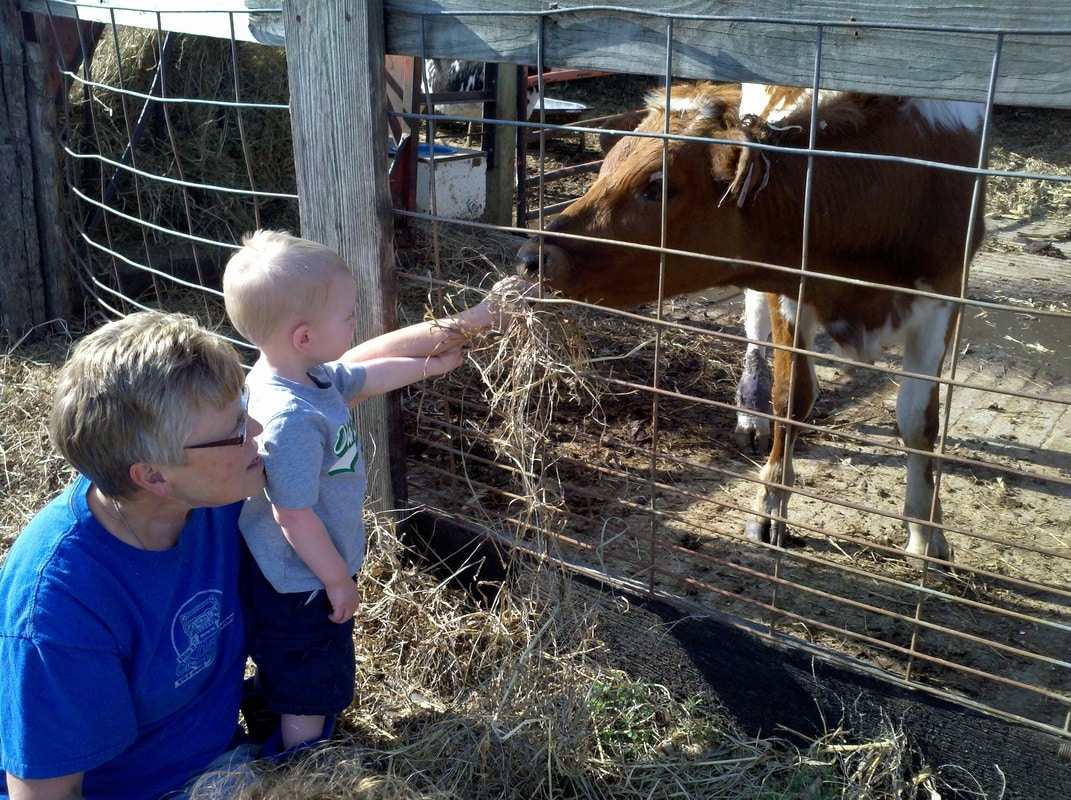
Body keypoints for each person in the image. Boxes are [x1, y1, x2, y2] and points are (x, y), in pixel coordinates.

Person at [223, 229, 525, 755]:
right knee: (307, 683)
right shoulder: (289, 417)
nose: (355, 322)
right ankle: (300, 764)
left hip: (312, 570)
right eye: (347, 316)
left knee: (312, 668)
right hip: (300, 582)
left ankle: (294, 729)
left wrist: (433, 361)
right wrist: (338, 580)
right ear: (303, 336)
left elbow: (364, 373)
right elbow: (293, 516)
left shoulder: (306, 376)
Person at [0, 311, 267, 800]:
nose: (258, 427)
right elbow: (43, 794)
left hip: (224, 762)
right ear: (154, 477)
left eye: (244, 405)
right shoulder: (60, 604)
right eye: (235, 428)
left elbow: (325, 384)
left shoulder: (210, 495)